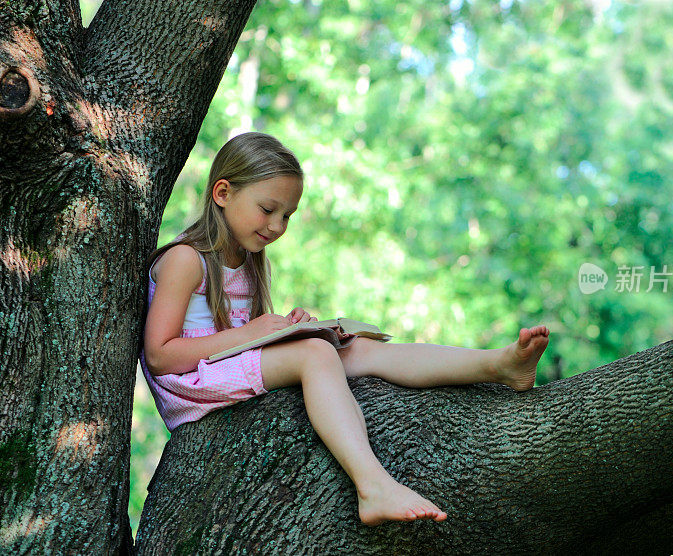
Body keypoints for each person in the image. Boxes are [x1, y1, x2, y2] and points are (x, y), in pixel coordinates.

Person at [140, 132, 550, 526]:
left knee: (354, 350)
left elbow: (240, 336)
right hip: (189, 385)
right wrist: (254, 334)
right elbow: (159, 356)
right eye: (268, 210)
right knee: (315, 355)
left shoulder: (247, 260)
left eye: (287, 216)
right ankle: (372, 486)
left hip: (224, 367)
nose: (278, 226)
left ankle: (497, 366)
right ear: (223, 193)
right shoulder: (185, 259)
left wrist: (288, 329)